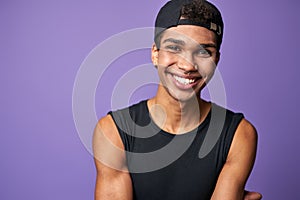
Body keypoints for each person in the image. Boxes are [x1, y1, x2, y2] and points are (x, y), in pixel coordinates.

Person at [93, 0, 262, 199]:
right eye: (174, 47)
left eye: (203, 52)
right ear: (155, 54)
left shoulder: (238, 135)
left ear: (216, 60)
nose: (188, 65)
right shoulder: (114, 131)